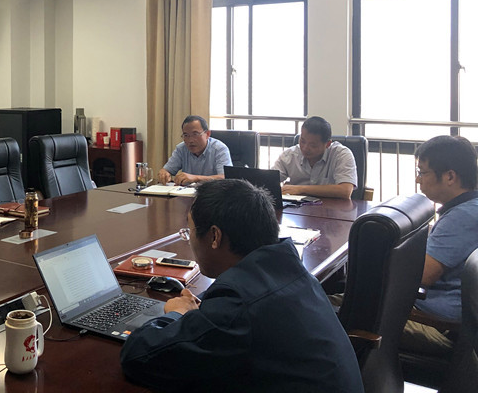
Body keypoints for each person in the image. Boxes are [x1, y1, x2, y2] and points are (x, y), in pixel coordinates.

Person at [120, 179, 363, 392]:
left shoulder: (239, 306)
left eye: (190, 231)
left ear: (214, 236)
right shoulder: (291, 271)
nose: (190, 239)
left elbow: (138, 356)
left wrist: (177, 313)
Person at [401, 135, 478, 355]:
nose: (418, 180)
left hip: (440, 325)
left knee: (333, 310)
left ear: (450, 176)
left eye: (422, 172)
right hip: (452, 316)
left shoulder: (462, 217)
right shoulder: (470, 208)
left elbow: (421, 275)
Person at [272, 115, 357, 199]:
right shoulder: (290, 155)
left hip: (333, 207)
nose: (305, 148)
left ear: (327, 144)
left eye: (313, 145)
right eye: (302, 141)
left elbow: (345, 191)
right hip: (298, 207)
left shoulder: (341, 155)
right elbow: (269, 180)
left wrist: (300, 189)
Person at [157, 115, 232, 185]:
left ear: (207, 134)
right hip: (186, 193)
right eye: (186, 135)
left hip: (212, 192)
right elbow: (166, 170)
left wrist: (196, 178)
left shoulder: (219, 149)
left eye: (195, 134)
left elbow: (225, 177)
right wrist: (164, 173)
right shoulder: (181, 149)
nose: (190, 140)